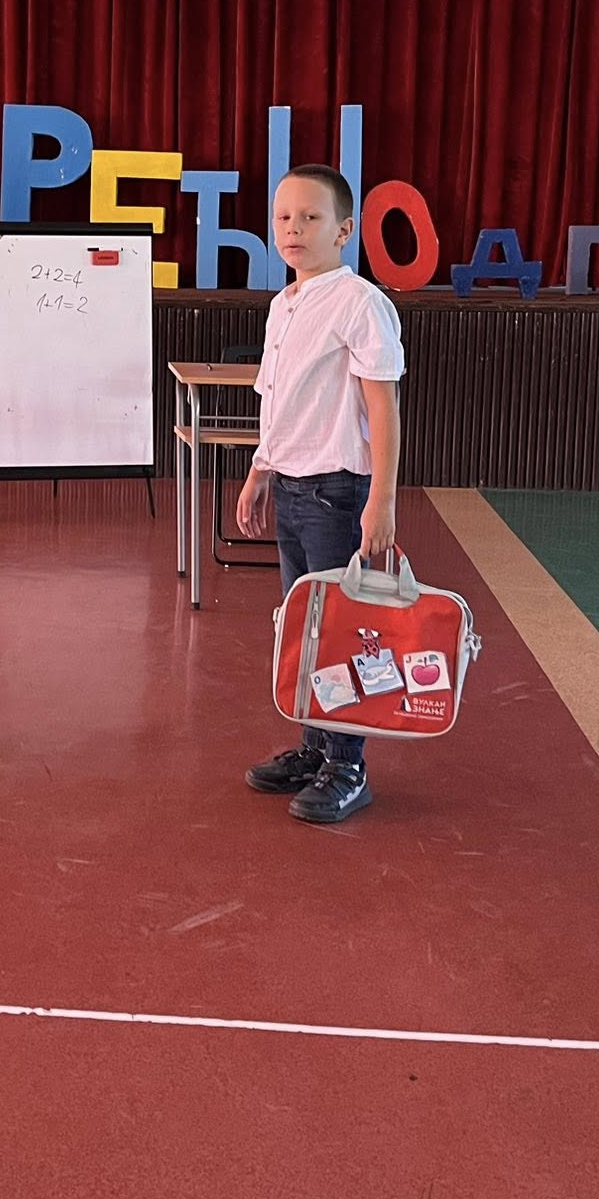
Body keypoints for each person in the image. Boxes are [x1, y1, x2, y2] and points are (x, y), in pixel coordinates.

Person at [236, 164, 405, 823]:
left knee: (339, 630)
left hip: (337, 492)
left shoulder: (359, 302)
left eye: (310, 217)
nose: (294, 229)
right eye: (283, 217)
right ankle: (315, 747)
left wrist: (381, 500)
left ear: (343, 229)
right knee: (304, 628)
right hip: (291, 488)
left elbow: (382, 406)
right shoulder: (284, 304)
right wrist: (261, 470)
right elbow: (278, 403)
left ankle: (348, 764)